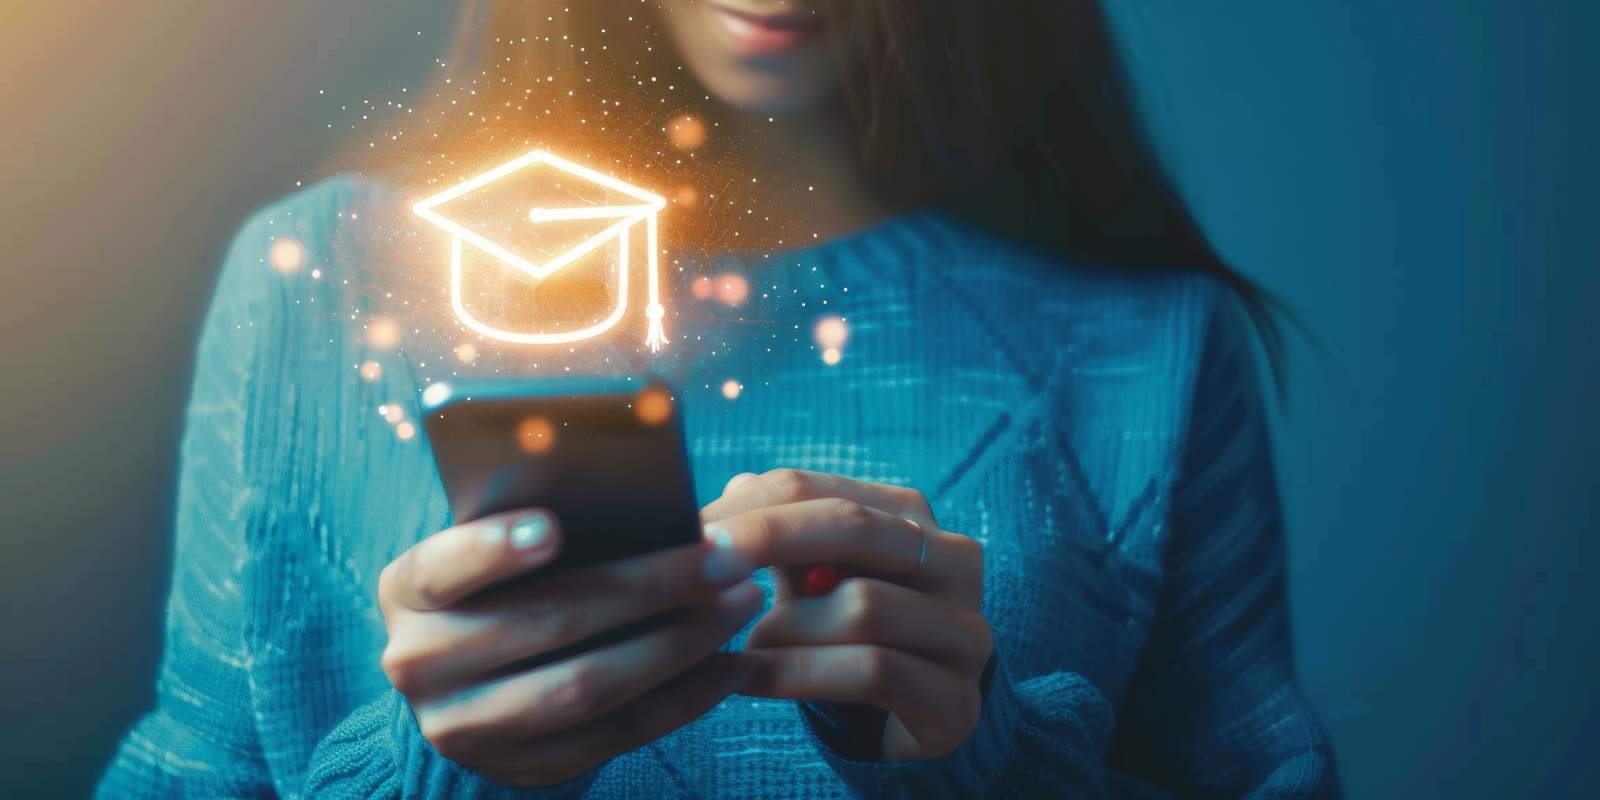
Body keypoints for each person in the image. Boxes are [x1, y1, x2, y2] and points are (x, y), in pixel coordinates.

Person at [97, 1, 1339, 797]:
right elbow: (197, 769)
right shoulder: (316, 287)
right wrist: (430, 776)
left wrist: (986, 762)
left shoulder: (1143, 340)